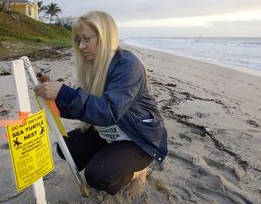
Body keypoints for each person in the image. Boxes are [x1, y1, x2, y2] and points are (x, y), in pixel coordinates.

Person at [34, 11, 168, 199]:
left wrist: (64, 92)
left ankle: (139, 172)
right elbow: (83, 107)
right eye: (78, 40)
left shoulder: (127, 65)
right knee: (66, 147)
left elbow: (108, 110)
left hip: (138, 137)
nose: (81, 46)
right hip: (109, 131)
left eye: (86, 39)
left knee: (97, 176)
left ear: (104, 37)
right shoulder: (92, 64)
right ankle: (110, 156)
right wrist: (54, 96)